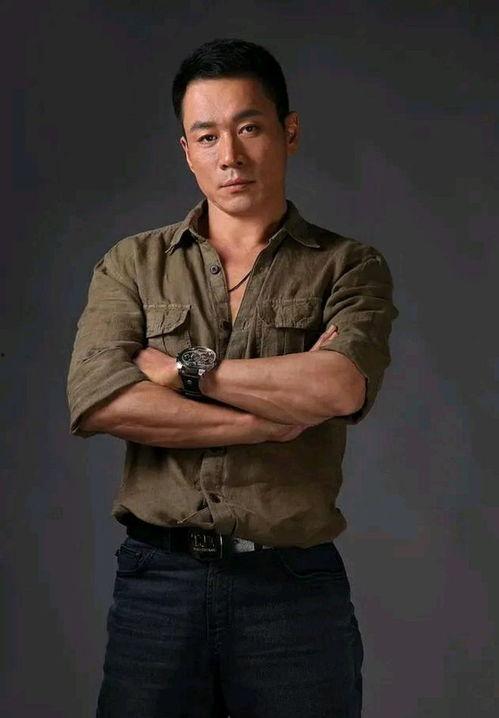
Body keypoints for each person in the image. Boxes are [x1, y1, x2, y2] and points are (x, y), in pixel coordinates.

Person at [67, 37, 398, 718]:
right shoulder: (132, 264)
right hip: (157, 584)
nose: (230, 155)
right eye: (207, 135)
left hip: (291, 586)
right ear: (186, 151)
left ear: (288, 132)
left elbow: (339, 387)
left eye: (249, 128)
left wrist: (182, 372)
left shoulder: (347, 266)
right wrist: (267, 420)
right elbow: (99, 401)